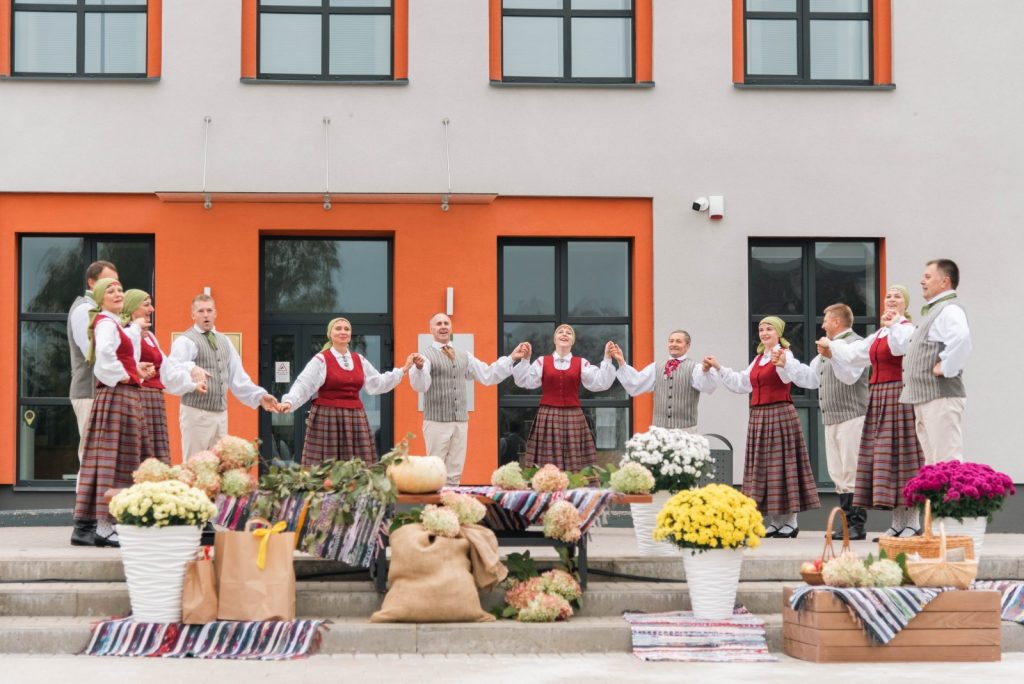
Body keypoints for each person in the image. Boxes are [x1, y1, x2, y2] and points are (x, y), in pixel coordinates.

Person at [704, 316, 821, 538]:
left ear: (778, 333)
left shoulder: (784, 354)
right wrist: (719, 367)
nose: (764, 333)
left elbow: (791, 377)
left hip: (779, 414)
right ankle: (776, 522)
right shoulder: (759, 359)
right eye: (761, 329)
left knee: (783, 466)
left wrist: (783, 363)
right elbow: (742, 383)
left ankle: (791, 522)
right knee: (765, 468)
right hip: (759, 417)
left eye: (769, 329)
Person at [825, 285, 925, 538]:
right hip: (879, 397)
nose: (891, 299)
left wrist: (894, 324)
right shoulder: (880, 333)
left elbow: (900, 348)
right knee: (887, 460)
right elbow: (854, 356)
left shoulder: (907, 329)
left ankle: (912, 522)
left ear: (905, 304)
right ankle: (898, 522)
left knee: (903, 457)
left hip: (899, 396)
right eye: (888, 296)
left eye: (897, 296)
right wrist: (832, 349)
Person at [72, 278, 153, 547]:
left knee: (117, 460)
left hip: (123, 394)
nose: (118, 293)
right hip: (117, 395)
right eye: (110, 290)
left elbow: (118, 355)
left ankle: (103, 525)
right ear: (99, 298)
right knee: (110, 461)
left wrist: (134, 370)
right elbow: (104, 356)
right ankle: (102, 526)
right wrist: (124, 375)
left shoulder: (114, 323)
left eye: (119, 290)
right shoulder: (106, 323)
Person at [782, 304, 869, 540]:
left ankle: (857, 525)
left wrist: (832, 355)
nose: (823, 325)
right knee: (838, 473)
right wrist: (787, 364)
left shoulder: (856, 344)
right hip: (832, 417)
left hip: (852, 415)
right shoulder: (826, 348)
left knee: (851, 470)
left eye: (826, 320)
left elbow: (850, 377)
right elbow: (811, 379)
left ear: (837, 322)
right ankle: (847, 523)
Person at [409, 313, 528, 484]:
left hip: (460, 421)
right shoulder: (425, 356)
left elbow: (487, 374)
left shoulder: (464, 355)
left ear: (451, 327)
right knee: (434, 469)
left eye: (446, 323)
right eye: (438, 324)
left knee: (455, 471)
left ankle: (451, 500)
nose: (443, 326)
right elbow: (420, 386)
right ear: (431, 329)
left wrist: (512, 358)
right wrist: (420, 368)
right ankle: (434, 501)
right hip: (436, 422)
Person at [278, 317, 414, 466]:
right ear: (330, 334)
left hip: (355, 417)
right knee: (327, 464)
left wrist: (403, 370)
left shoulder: (359, 359)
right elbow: (304, 383)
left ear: (350, 334)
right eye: (338, 328)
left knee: (358, 463)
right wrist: (289, 401)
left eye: (346, 329)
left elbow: (377, 383)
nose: (343, 332)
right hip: (328, 417)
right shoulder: (321, 359)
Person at [169, 294, 277, 459]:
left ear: (215, 313)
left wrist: (259, 396)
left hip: (221, 414)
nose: (205, 315)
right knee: (194, 463)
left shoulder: (225, 341)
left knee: (221, 464)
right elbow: (173, 367)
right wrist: (191, 368)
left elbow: (238, 377)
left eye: (209, 310)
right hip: (196, 413)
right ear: (193, 314)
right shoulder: (186, 340)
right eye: (201, 311)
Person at [511, 325, 616, 471]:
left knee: (574, 456)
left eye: (569, 333)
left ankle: (575, 483)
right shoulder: (542, 361)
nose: (564, 334)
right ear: (555, 339)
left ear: (572, 341)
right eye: (560, 332)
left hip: (573, 415)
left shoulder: (581, 363)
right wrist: (525, 360)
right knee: (548, 458)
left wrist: (607, 358)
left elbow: (601, 382)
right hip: (548, 416)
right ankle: (548, 482)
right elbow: (524, 381)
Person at [896, 259, 971, 463]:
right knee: (933, 463)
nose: (922, 281)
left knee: (946, 460)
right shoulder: (937, 310)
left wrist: (946, 367)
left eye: (928, 277)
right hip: (928, 398)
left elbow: (961, 337)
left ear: (944, 281)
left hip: (940, 396)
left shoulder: (950, 309)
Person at [120, 289, 207, 464]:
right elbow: (128, 363)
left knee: (155, 454)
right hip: (136, 399)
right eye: (146, 305)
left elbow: (167, 372)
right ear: (133, 308)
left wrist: (192, 385)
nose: (152, 309)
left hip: (154, 401)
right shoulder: (125, 334)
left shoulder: (150, 337)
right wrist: (135, 330)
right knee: (137, 453)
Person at [610, 329, 718, 432]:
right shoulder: (656, 366)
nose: (673, 344)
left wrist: (706, 371)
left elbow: (707, 386)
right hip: (659, 430)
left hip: (685, 431)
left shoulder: (695, 368)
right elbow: (636, 382)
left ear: (687, 346)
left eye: (678, 341)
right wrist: (621, 361)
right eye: (671, 341)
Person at [67, 260, 118, 464]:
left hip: (100, 391)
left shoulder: (101, 310)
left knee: (103, 455)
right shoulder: (84, 309)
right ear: (91, 282)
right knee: (91, 455)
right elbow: (91, 351)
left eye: (116, 283)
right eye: (108, 282)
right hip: (89, 392)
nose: (114, 287)